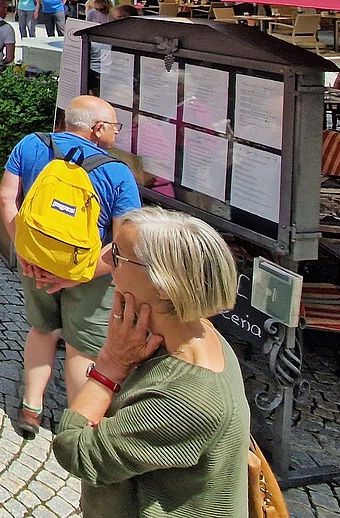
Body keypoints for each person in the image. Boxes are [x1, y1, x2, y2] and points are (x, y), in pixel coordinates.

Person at [52, 207, 249, 518]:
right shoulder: (200, 333)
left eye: (116, 254)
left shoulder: (186, 399)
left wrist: (109, 366)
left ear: (163, 286)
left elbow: (74, 449)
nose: (105, 261)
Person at [0, 96, 141, 440]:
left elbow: (5, 198)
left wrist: (26, 253)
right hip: (90, 272)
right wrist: (74, 274)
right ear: (99, 128)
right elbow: (124, 241)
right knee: (82, 347)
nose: (117, 134)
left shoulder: (30, 145)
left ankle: (31, 408)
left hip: (35, 263)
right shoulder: (117, 172)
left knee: (42, 329)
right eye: (115, 127)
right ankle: (77, 426)